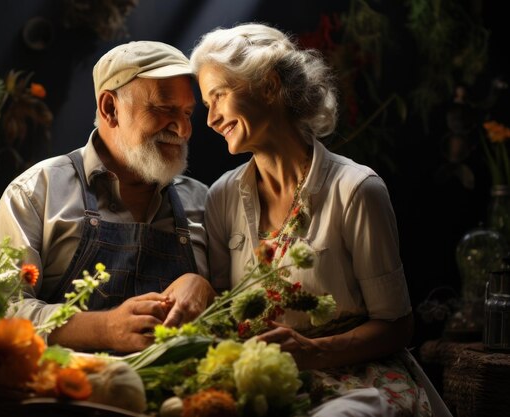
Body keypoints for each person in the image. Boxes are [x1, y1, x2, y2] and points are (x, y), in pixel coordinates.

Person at [190, 23, 451, 416]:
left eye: (218, 97)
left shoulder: (357, 190)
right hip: (268, 380)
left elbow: (397, 326)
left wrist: (314, 352)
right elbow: (225, 317)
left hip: (358, 379)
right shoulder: (222, 196)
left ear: (269, 86)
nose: (210, 119)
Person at [0, 41, 215, 353]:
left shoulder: (204, 202)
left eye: (186, 112)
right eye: (163, 108)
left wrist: (206, 289)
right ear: (110, 108)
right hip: (60, 396)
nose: (183, 129)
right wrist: (102, 329)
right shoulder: (37, 191)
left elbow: (235, 318)